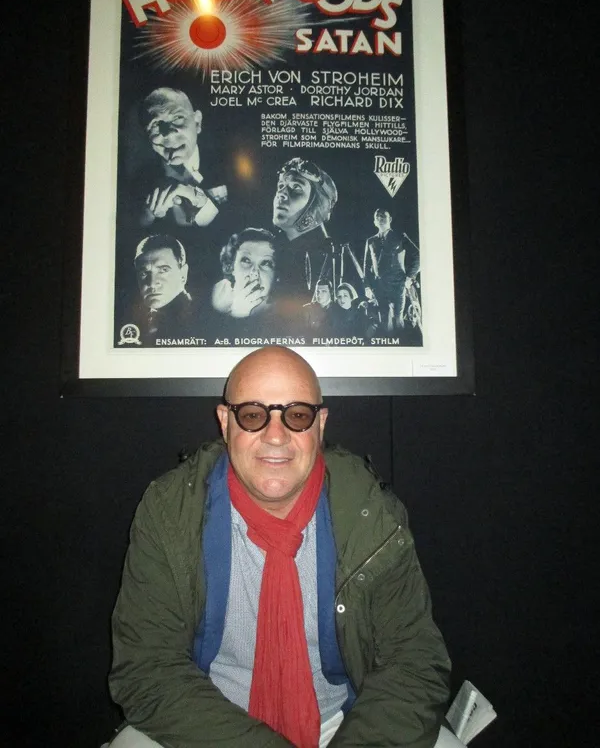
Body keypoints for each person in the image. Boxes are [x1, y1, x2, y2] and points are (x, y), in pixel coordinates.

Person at [107, 347, 460, 748]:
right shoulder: (170, 512)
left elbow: (413, 660)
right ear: (225, 422)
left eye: (297, 415)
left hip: (345, 724)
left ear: (320, 425)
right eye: (252, 415)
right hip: (209, 725)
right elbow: (148, 668)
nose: (275, 436)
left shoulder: (372, 512)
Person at [138, 87, 228, 229]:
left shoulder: (230, 166)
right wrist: (147, 217)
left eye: (178, 118)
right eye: (155, 124)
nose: (169, 134)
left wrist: (203, 204)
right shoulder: (138, 181)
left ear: (197, 123)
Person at [272, 158, 338, 322]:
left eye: (296, 188)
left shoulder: (327, 253)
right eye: (281, 186)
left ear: (316, 205)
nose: (281, 193)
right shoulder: (269, 245)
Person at [363, 209, 420, 332]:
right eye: (377, 217)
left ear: (390, 219)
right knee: (384, 320)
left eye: (383, 216)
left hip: (397, 284)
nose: (380, 219)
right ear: (374, 222)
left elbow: (418, 255)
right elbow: (366, 266)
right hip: (379, 286)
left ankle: (402, 341)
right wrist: (367, 286)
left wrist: (409, 277)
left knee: (398, 319)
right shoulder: (371, 241)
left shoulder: (400, 237)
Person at [131, 234, 195, 343]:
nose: (151, 283)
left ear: (183, 274)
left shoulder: (196, 321)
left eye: (163, 270)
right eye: (143, 273)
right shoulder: (138, 323)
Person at [212, 227, 277, 319]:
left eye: (266, 263)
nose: (254, 272)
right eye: (246, 260)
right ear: (232, 266)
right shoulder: (217, 296)